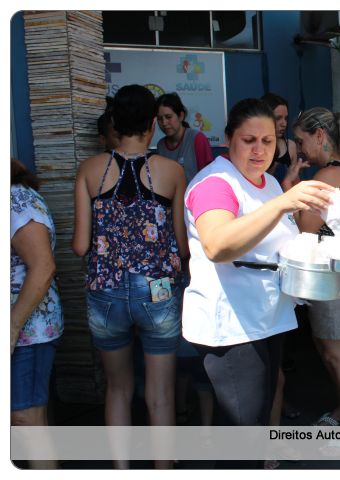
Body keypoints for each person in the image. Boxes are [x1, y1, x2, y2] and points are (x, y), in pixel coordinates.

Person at [181, 98, 332, 431]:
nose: (259, 150)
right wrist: (282, 204)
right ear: (228, 138)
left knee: (258, 423)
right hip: (232, 326)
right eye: (249, 140)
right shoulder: (216, 184)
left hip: (267, 318)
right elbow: (217, 245)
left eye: (267, 141)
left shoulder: (270, 183)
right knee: (242, 435)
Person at [72, 84, 189, 469]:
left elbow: (79, 246)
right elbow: (183, 247)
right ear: (153, 124)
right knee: (160, 392)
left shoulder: (89, 171)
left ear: (114, 124)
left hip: (105, 290)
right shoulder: (172, 171)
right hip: (157, 291)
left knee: (119, 388)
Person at [290, 107, 340, 429]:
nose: (299, 148)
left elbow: (306, 226)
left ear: (320, 135)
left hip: (339, 277)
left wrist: (289, 188)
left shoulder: (327, 177)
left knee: (339, 354)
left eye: (301, 139)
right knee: (330, 350)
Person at [11, 159, 63, 469]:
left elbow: (43, 266)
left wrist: (12, 327)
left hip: (27, 330)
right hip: (21, 329)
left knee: (25, 418)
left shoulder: (17, 198)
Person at [156, 92, 214, 183]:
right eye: (159, 119)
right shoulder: (161, 145)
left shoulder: (197, 138)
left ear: (181, 116)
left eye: (168, 117)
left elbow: (208, 179)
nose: (164, 123)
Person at [261, 93, 300, 183]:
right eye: (278, 118)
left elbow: (295, 183)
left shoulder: (290, 146)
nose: (284, 123)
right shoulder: (256, 148)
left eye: (286, 118)